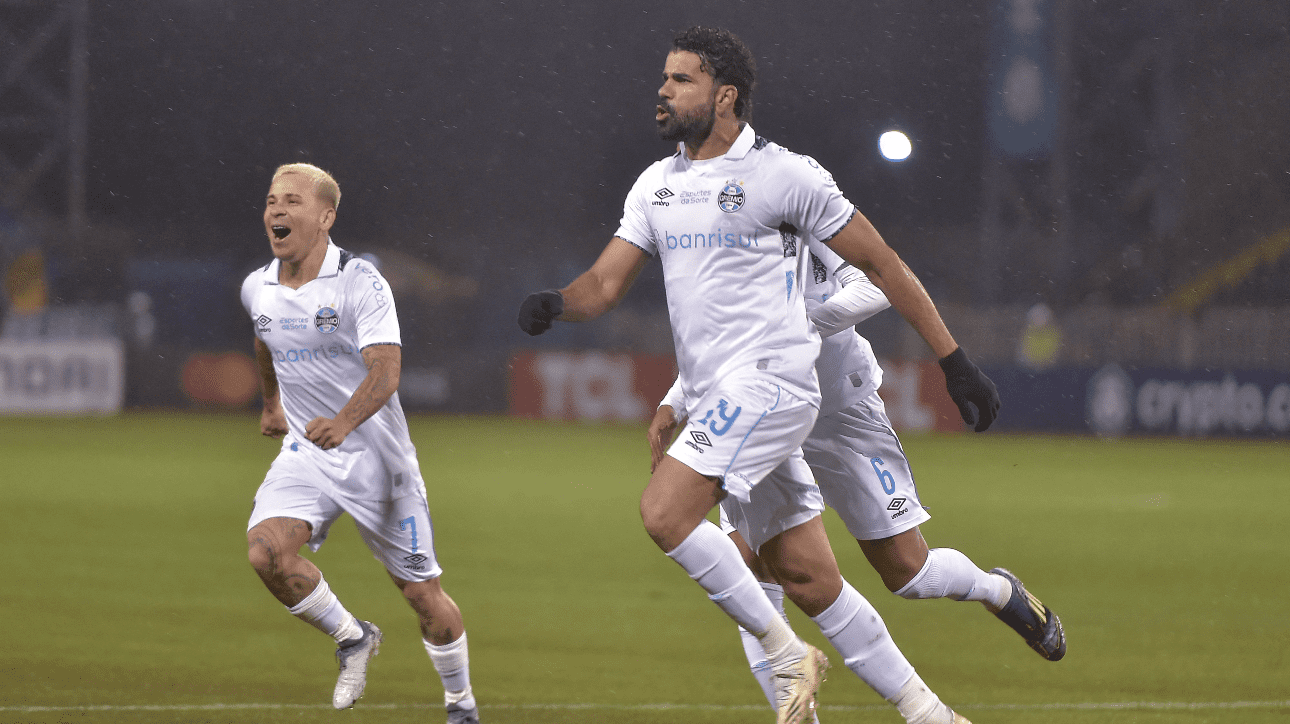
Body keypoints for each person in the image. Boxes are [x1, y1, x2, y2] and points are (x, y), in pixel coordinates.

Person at [519, 27, 996, 724]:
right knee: (807, 578)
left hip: (770, 385)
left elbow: (883, 263)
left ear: (725, 96)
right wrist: (556, 305)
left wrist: (954, 362)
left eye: (681, 79)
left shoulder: (784, 175)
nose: (663, 90)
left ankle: (784, 654)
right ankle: (931, 714)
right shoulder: (657, 187)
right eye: (664, 78)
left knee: (663, 512)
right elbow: (604, 283)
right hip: (723, 397)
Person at [649, 243, 1065, 719]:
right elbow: (718, 335)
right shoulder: (715, 228)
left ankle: (998, 591)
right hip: (761, 411)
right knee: (751, 568)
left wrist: (802, 326)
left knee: (910, 572)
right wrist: (675, 401)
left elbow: (874, 284)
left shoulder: (799, 203)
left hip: (840, 412)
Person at [241, 163, 480, 723]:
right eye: (272, 200)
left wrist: (346, 422)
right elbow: (263, 337)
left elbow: (386, 371)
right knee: (266, 553)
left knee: (424, 597)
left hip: (379, 462)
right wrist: (272, 402)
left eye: (292, 201)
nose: (277, 210)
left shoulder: (360, 282)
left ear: (325, 217)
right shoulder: (260, 284)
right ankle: (352, 638)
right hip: (307, 453)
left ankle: (461, 704)